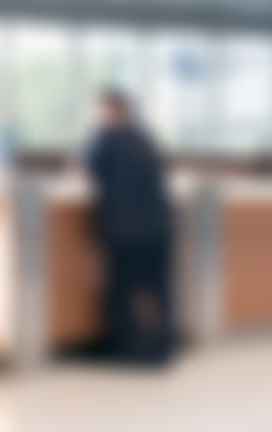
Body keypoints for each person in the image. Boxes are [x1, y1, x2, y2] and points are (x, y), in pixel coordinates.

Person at [87, 88, 177, 366]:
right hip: (158, 226)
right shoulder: (145, 138)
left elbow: (89, 168)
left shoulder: (107, 137)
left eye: (97, 111)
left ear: (109, 111)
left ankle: (125, 349)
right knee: (158, 288)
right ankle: (160, 346)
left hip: (126, 230)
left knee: (122, 289)